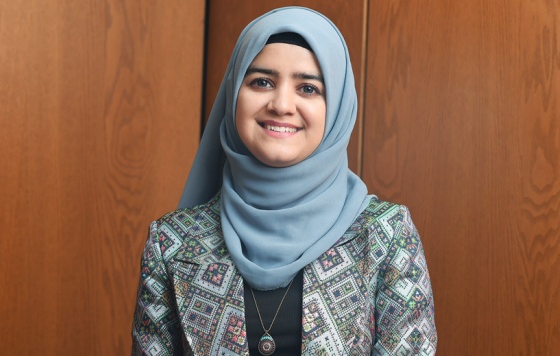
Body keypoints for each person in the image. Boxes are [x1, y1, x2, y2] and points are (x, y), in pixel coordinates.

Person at [132, 6, 437, 355]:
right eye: (262, 82)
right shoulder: (172, 242)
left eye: (308, 88)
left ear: (336, 107)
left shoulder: (385, 235)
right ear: (234, 94)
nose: (281, 104)